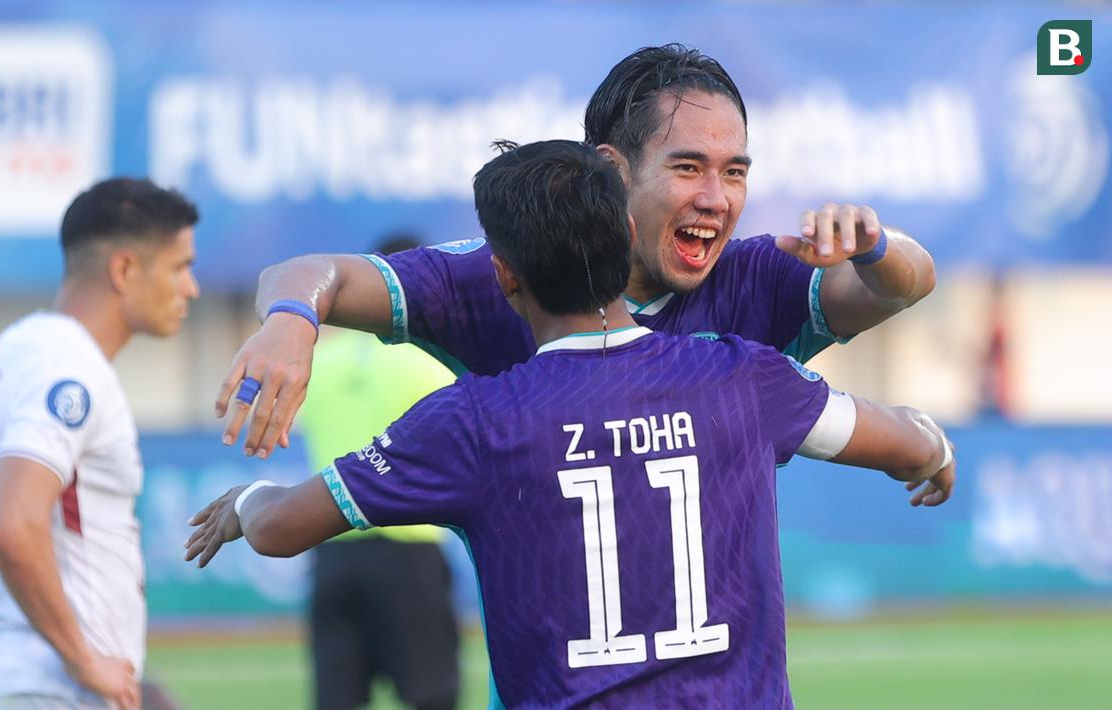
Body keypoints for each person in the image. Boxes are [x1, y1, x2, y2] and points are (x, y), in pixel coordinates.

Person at [185, 140, 954, 708]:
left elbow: (283, 525)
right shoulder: (742, 374)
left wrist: (246, 502)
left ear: (503, 273)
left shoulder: (473, 421)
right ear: (623, 244)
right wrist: (933, 449)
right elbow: (909, 443)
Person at [212, 44, 938, 460]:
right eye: (688, 168)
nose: (717, 197)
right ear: (613, 169)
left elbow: (904, 283)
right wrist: (290, 321)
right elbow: (313, 274)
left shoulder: (759, 280)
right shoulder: (498, 278)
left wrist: (874, 244)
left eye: (735, 171)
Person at [0, 177, 200, 710]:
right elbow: (8, 525)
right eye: (180, 267)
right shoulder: (71, 371)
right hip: (50, 692)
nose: (191, 288)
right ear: (125, 269)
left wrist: (28, 624)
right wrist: (80, 656)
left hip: (25, 682)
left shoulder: (17, 346)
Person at [298, 233, 460, 710]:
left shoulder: (319, 362)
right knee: (432, 696)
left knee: (337, 700)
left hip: (331, 548)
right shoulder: (430, 364)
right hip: (408, 553)